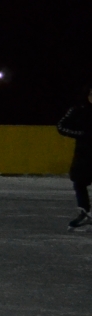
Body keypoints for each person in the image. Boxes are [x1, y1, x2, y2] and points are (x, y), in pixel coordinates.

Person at [57, 86, 92, 230]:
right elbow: (61, 126)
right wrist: (82, 135)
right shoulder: (79, 109)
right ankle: (84, 212)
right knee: (79, 181)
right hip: (84, 153)